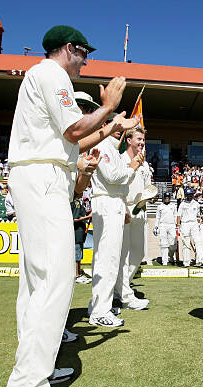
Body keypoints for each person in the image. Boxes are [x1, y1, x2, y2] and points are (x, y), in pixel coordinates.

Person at [2, 24, 138, 387]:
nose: (85, 60)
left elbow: (76, 140)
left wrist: (113, 126)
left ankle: (34, 367)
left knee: (37, 281)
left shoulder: (42, 76)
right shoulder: (50, 73)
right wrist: (109, 106)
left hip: (42, 175)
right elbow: (76, 128)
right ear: (68, 49)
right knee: (56, 278)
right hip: (43, 177)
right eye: (82, 53)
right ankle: (27, 383)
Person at [88, 109, 146, 327]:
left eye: (120, 128)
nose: (118, 132)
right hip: (106, 202)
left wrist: (124, 207)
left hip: (115, 202)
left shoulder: (111, 148)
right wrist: (132, 167)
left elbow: (119, 182)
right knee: (107, 258)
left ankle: (100, 306)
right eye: (115, 127)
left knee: (111, 259)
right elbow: (113, 177)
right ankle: (99, 310)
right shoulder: (102, 146)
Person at [115, 126, 152, 310]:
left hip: (140, 210)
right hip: (125, 210)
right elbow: (119, 185)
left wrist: (147, 196)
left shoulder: (144, 164)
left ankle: (120, 289)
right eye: (139, 139)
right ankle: (125, 294)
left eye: (143, 140)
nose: (142, 143)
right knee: (123, 254)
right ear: (129, 140)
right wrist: (124, 208)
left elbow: (148, 187)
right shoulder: (121, 160)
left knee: (139, 252)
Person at [177, 187, 203, 267]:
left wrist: (199, 221)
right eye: (188, 195)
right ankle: (186, 262)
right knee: (186, 242)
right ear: (186, 195)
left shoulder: (196, 204)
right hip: (185, 223)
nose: (189, 196)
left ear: (193, 195)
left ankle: (200, 260)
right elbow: (179, 215)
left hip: (194, 223)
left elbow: (197, 215)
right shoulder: (182, 204)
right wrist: (178, 226)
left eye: (191, 195)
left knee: (198, 241)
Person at [154, 191, 178, 265]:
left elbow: (175, 216)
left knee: (173, 244)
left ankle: (170, 256)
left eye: (168, 198)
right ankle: (165, 261)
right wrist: (156, 227)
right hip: (163, 225)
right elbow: (157, 218)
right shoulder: (160, 206)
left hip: (172, 225)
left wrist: (177, 226)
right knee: (163, 244)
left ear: (170, 198)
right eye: (165, 198)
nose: (167, 199)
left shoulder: (173, 206)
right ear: (163, 198)